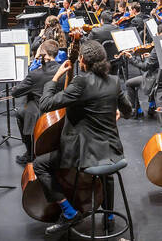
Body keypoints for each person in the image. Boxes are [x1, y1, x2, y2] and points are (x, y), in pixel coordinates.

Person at [33, 40, 132, 235]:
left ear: (83, 61)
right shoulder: (114, 81)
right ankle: (109, 215)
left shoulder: (81, 82)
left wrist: (56, 77)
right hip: (113, 151)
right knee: (107, 172)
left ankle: (69, 212)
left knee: (39, 164)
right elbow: (128, 111)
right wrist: (115, 110)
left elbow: (46, 104)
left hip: (84, 152)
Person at [12, 39, 64, 164]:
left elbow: (15, 92)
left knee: (21, 112)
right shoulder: (63, 69)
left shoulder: (35, 74)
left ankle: (29, 152)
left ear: (43, 54)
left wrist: (35, 62)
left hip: (42, 111)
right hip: (60, 109)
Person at [125, 23, 162, 118]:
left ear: (160, 34)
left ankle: (136, 110)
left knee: (129, 83)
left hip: (156, 79)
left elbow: (144, 66)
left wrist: (132, 59)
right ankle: (152, 106)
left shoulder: (157, 48)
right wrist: (151, 57)